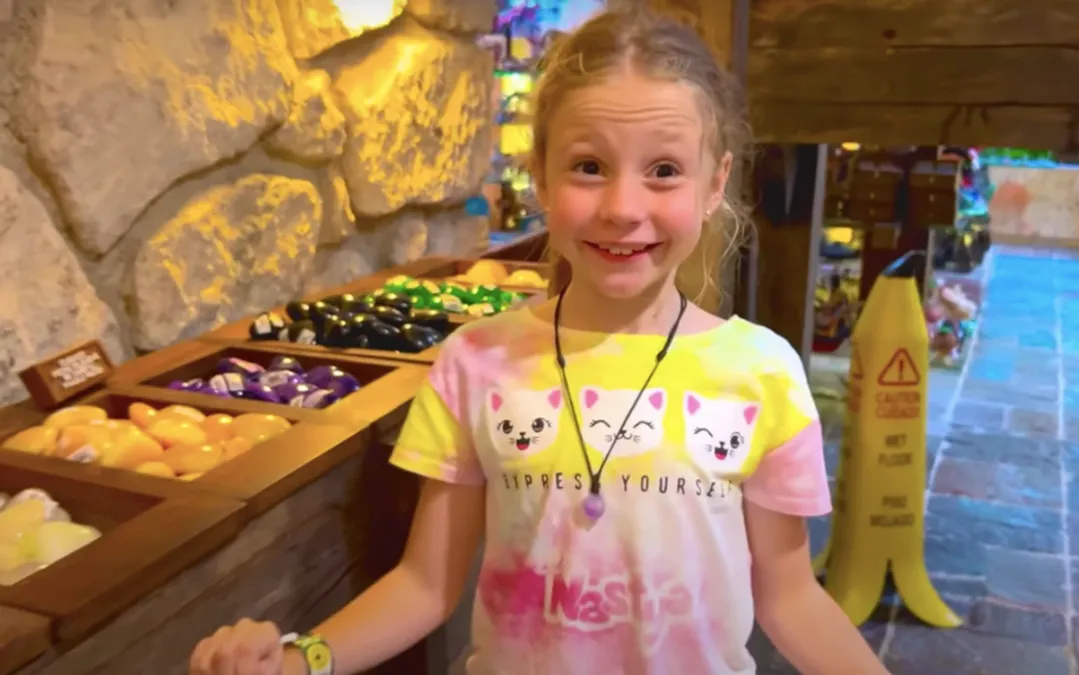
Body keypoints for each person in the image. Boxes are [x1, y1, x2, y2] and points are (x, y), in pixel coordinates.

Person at [188, 9, 891, 675]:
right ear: (542, 177)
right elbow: (425, 584)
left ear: (715, 184)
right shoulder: (476, 363)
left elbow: (790, 597)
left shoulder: (762, 372)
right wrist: (299, 659)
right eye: (589, 167)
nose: (623, 208)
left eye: (664, 170)